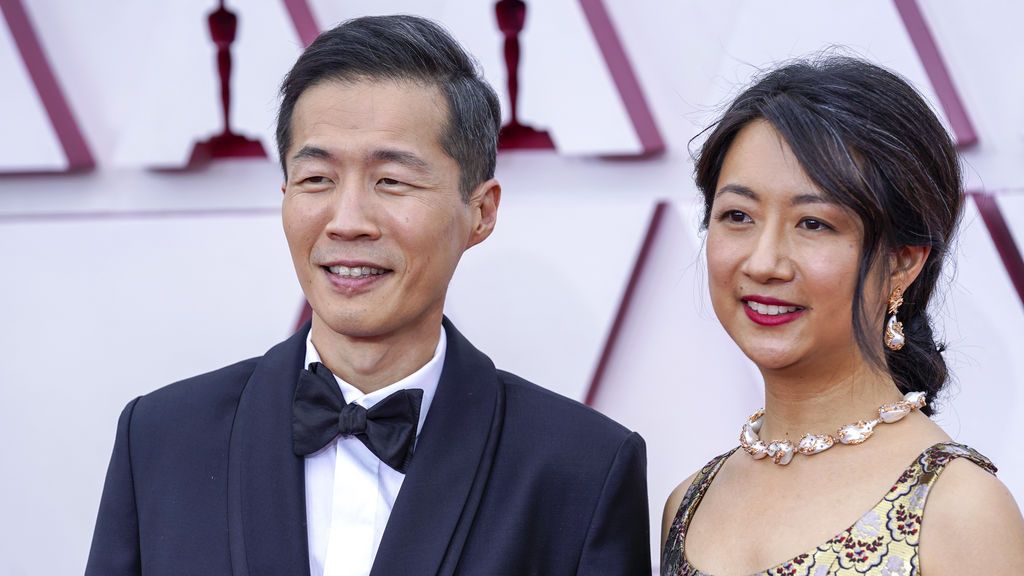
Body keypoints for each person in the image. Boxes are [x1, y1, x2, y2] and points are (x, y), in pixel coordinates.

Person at [86, 15, 650, 576]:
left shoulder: (583, 470)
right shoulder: (159, 440)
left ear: (481, 211)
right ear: (285, 194)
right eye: (317, 180)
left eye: (392, 181)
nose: (348, 221)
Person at [661, 57, 1024, 575]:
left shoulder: (956, 508)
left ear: (903, 261)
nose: (764, 262)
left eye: (813, 223)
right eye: (738, 216)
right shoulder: (688, 504)